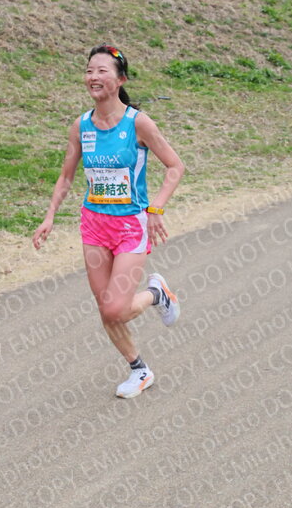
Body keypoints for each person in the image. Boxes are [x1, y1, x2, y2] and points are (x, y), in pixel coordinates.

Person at [32, 44, 185, 399]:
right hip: (94, 226)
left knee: (117, 307)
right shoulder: (81, 126)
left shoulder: (138, 123)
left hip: (130, 226)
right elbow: (66, 176)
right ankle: (139, 370)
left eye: (102, 71)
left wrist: (156, 209)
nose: (93, 77)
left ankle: (156, 294)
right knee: (106, 309)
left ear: (120, 80)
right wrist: (49, 216)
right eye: (89, 70)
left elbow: (175, 166)